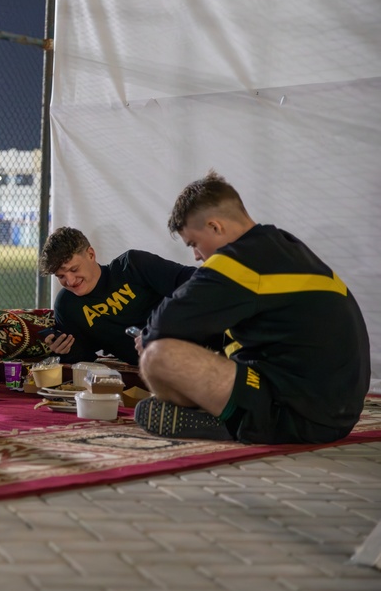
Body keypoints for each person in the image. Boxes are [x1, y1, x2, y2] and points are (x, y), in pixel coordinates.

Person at [135, 171, 370, 444]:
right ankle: (227, 413)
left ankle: (233, 424)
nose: (197, 256)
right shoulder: (284, 248)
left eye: (195, 244)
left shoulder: (239, 262)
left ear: (215, 226)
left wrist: (148, 341)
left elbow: (160, 329)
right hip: (333, 412)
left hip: (295, 416)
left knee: (158, 356)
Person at [37, 227, 196, 365]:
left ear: (91, 254)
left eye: (74, 269)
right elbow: (83, 358)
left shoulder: (133, 265)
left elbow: (197, 282)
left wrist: (161, 329)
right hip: (151, 374)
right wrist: (62, 350)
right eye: (60, 276)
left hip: (195, 350)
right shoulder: (66, 305)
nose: (70, 281)